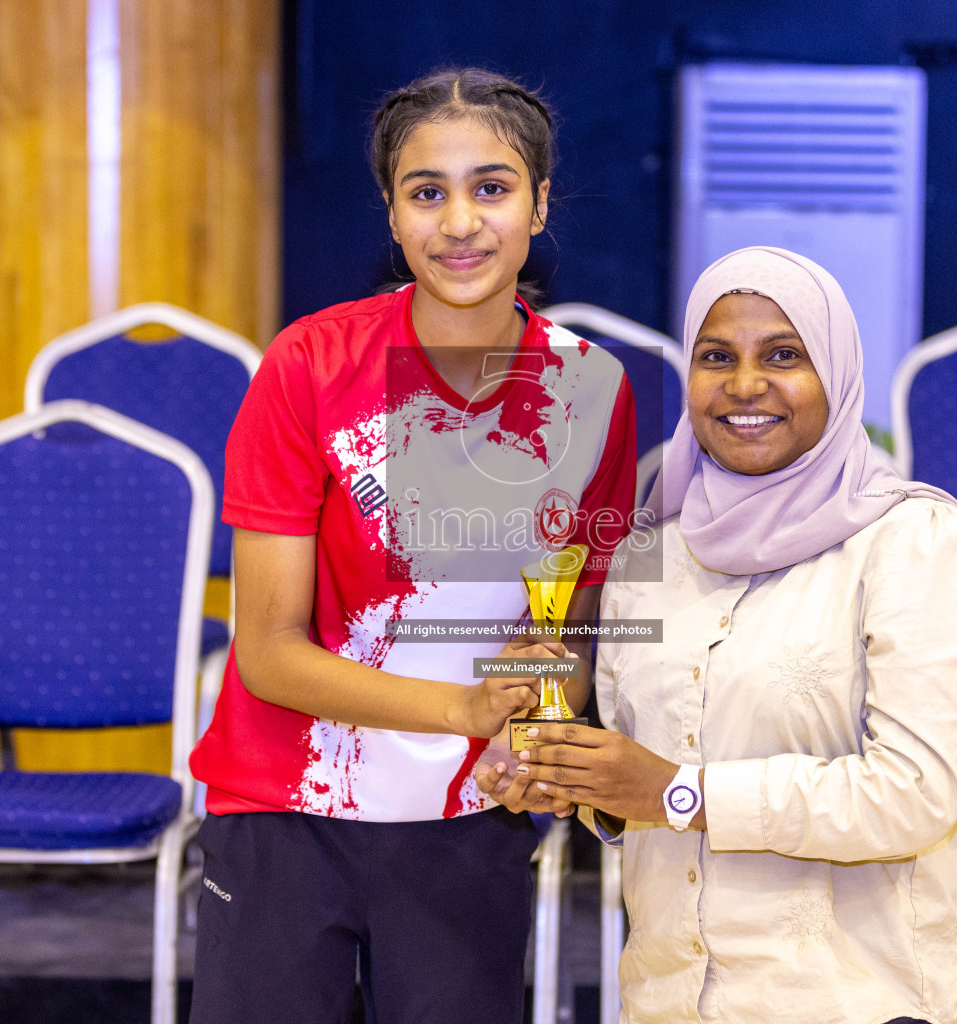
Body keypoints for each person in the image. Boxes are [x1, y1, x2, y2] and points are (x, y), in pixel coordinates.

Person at [188, 68, 637, 1022]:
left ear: (540, 202)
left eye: (493, 186)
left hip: (466, 819)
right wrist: (468, 704)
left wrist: (533, 720)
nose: (460, 222)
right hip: (285, 808)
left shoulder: (592, 388)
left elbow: (570, 623)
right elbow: (268, 653)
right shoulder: (308, 365)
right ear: (391, 215)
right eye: (427, 192)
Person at [480, 246, 957, 1024]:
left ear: (838, 373)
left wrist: (679, 792)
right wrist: (571, 775)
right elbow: (639, 770)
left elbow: (914, 797)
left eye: (784, 356)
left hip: (852, 999)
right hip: (669, 999)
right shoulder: (651, 550)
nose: (745, 385)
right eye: (716, 357)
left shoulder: (917, 542)